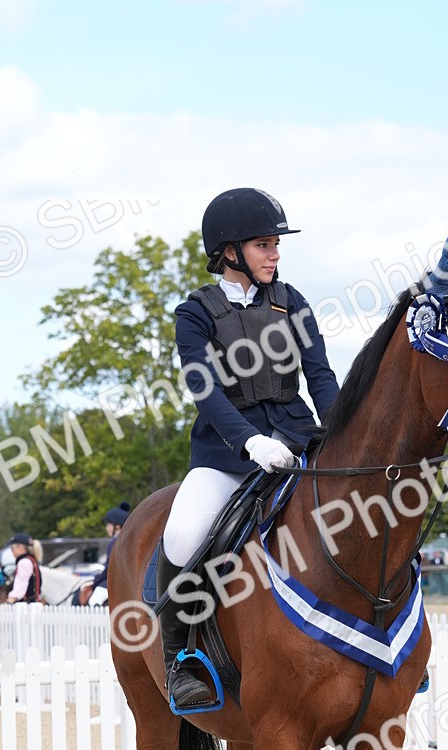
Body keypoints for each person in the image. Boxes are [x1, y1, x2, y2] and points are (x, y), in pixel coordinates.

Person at [159, 187, 340, 709]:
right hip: (225, 454)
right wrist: (249, 441)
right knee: (182, 533)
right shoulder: (194, 313)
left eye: (276, 245)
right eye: (265, 244)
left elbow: (320, 376)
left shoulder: (292, 302)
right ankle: (181, 662)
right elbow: (205, 389)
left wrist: (340, 430)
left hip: (299, 439)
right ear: (230, 251)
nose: (275, 254)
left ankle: (390, 643)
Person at [77, 502, 131, 605]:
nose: (107, 528)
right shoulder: (127, 541)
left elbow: (109, 569)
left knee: (94, 600)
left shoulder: (115, 542)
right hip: (127, 581)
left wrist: (95, 583)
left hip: (115, 582)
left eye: (108, 525)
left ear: (118, 526)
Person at [5, 533, 42, 604]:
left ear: (20, 547)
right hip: (34, 604)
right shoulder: (31, 560)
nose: (11, 551)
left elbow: (21, 585)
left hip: (25, 606)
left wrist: (9, 602)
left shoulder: (24, 562)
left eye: (12, 548)